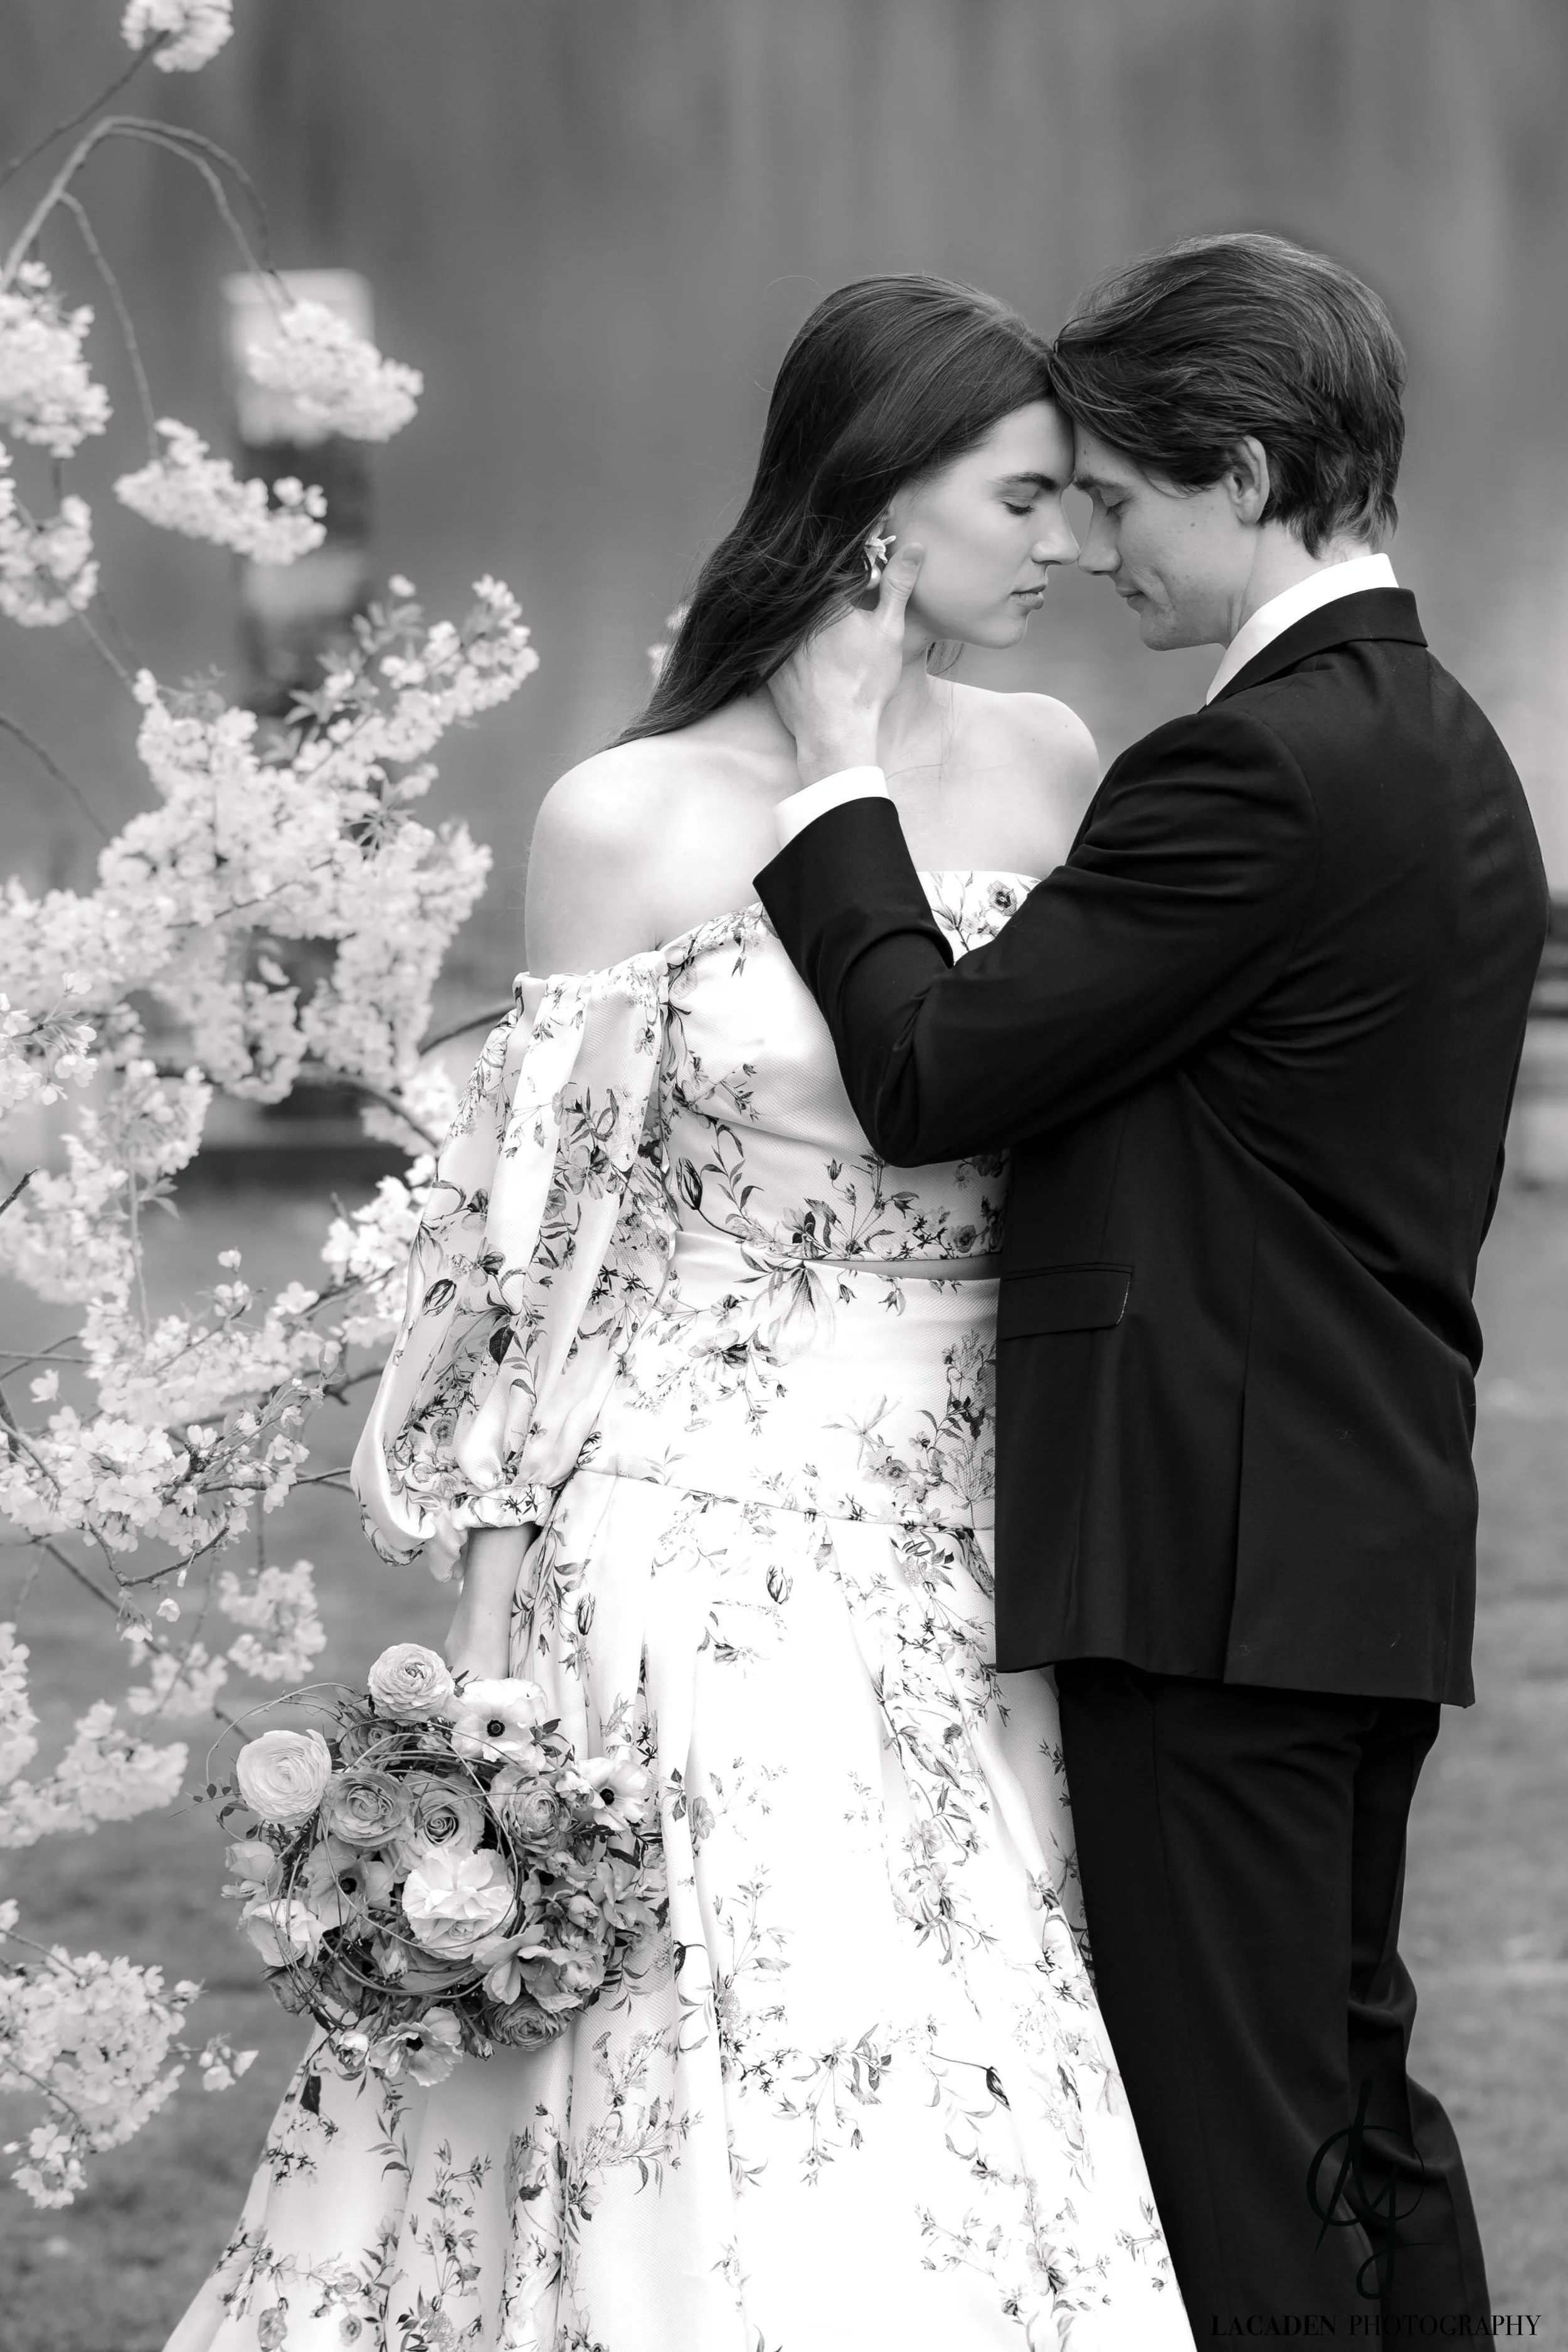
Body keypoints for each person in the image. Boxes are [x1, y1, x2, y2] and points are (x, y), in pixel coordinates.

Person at [167, 277, 1195, 2352]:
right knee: (735, 2056)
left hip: (985, 1527)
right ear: (881, 508)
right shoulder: (624, 821)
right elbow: (531, 1256)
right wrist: (483, 1652)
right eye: (1029, 501)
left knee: (970, 2038)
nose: (1072, 547)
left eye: (1087, 506)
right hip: (696, 1540)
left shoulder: (1050, 757)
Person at [754, 233, 1549, 2339]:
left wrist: (833, 779)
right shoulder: (1445, 746)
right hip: (1347, 1539)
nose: (1094, 545)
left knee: (1235, 2152)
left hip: (1210, 1556)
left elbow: (933, 1073)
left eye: (1116, 495)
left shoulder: (1252, 767)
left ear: (1254, 468)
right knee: (1350, 2106)